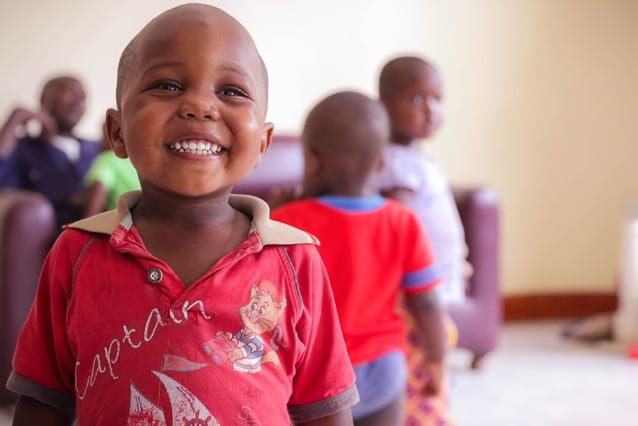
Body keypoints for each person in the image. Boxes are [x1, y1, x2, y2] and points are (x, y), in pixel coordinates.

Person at [6, 4, 358, 425]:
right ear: (117, 133)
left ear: (262, 144)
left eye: (231, 91)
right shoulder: (77, 253)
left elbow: (325, 409)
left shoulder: (296, 261)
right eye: (168, 85)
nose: (198, 106)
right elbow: (41, 403)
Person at [271, 91, 447, 426]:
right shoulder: (403, 221)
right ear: (381, 162)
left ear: (312, 160)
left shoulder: (289, 223)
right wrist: (437, 360)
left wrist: (276, 214)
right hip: (385, 367)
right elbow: (427, 303)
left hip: (317, 376)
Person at [377, 56, 463, 425]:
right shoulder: (398, 163)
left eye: (437, 98)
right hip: (416, 292)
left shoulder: (416, 159)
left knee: (435, 348)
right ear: (383, 107)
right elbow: (400, 226)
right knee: (423, 363)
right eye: (416, 99)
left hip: (433, 285)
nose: (430, 109)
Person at [0, 75, 100, 231]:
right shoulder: (25, 148)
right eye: (71, 94)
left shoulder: (96, 147)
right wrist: (17, 117)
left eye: (83, 98)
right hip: (50, 234)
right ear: (44, 100)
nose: (78, 103)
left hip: (102, 233)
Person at [83, 121, 140, 216]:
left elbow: (99, 186)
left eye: (104, 136)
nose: (101, 141)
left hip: (126, 223)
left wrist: (86, 224)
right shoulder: (140, 160)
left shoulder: (107, 159)